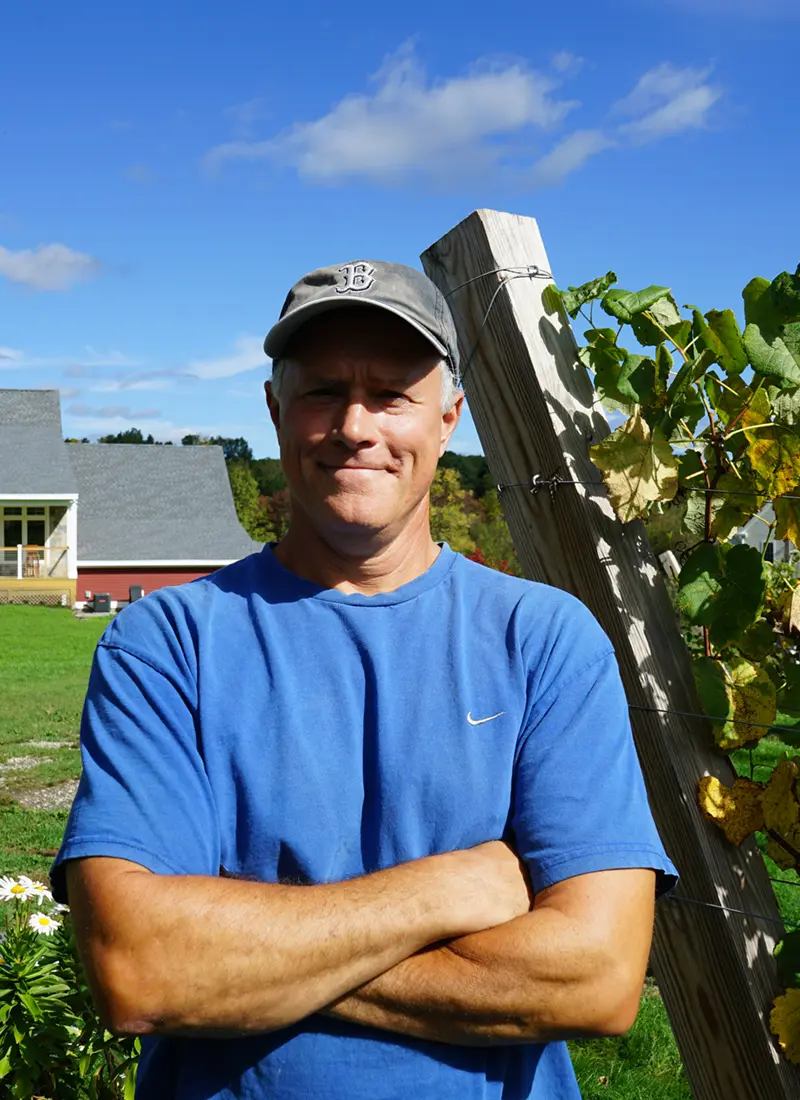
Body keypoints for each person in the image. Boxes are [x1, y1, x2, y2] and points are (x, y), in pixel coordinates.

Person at [50, 259, 679, 1100]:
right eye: (322, 392)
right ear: (276, 412)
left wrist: (249, 960)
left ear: (448, 419)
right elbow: (142, 968)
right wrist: (448, 889)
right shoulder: (167, 643)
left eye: (391, 394)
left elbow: (596, 979)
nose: (355, 424)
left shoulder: (544, 640)